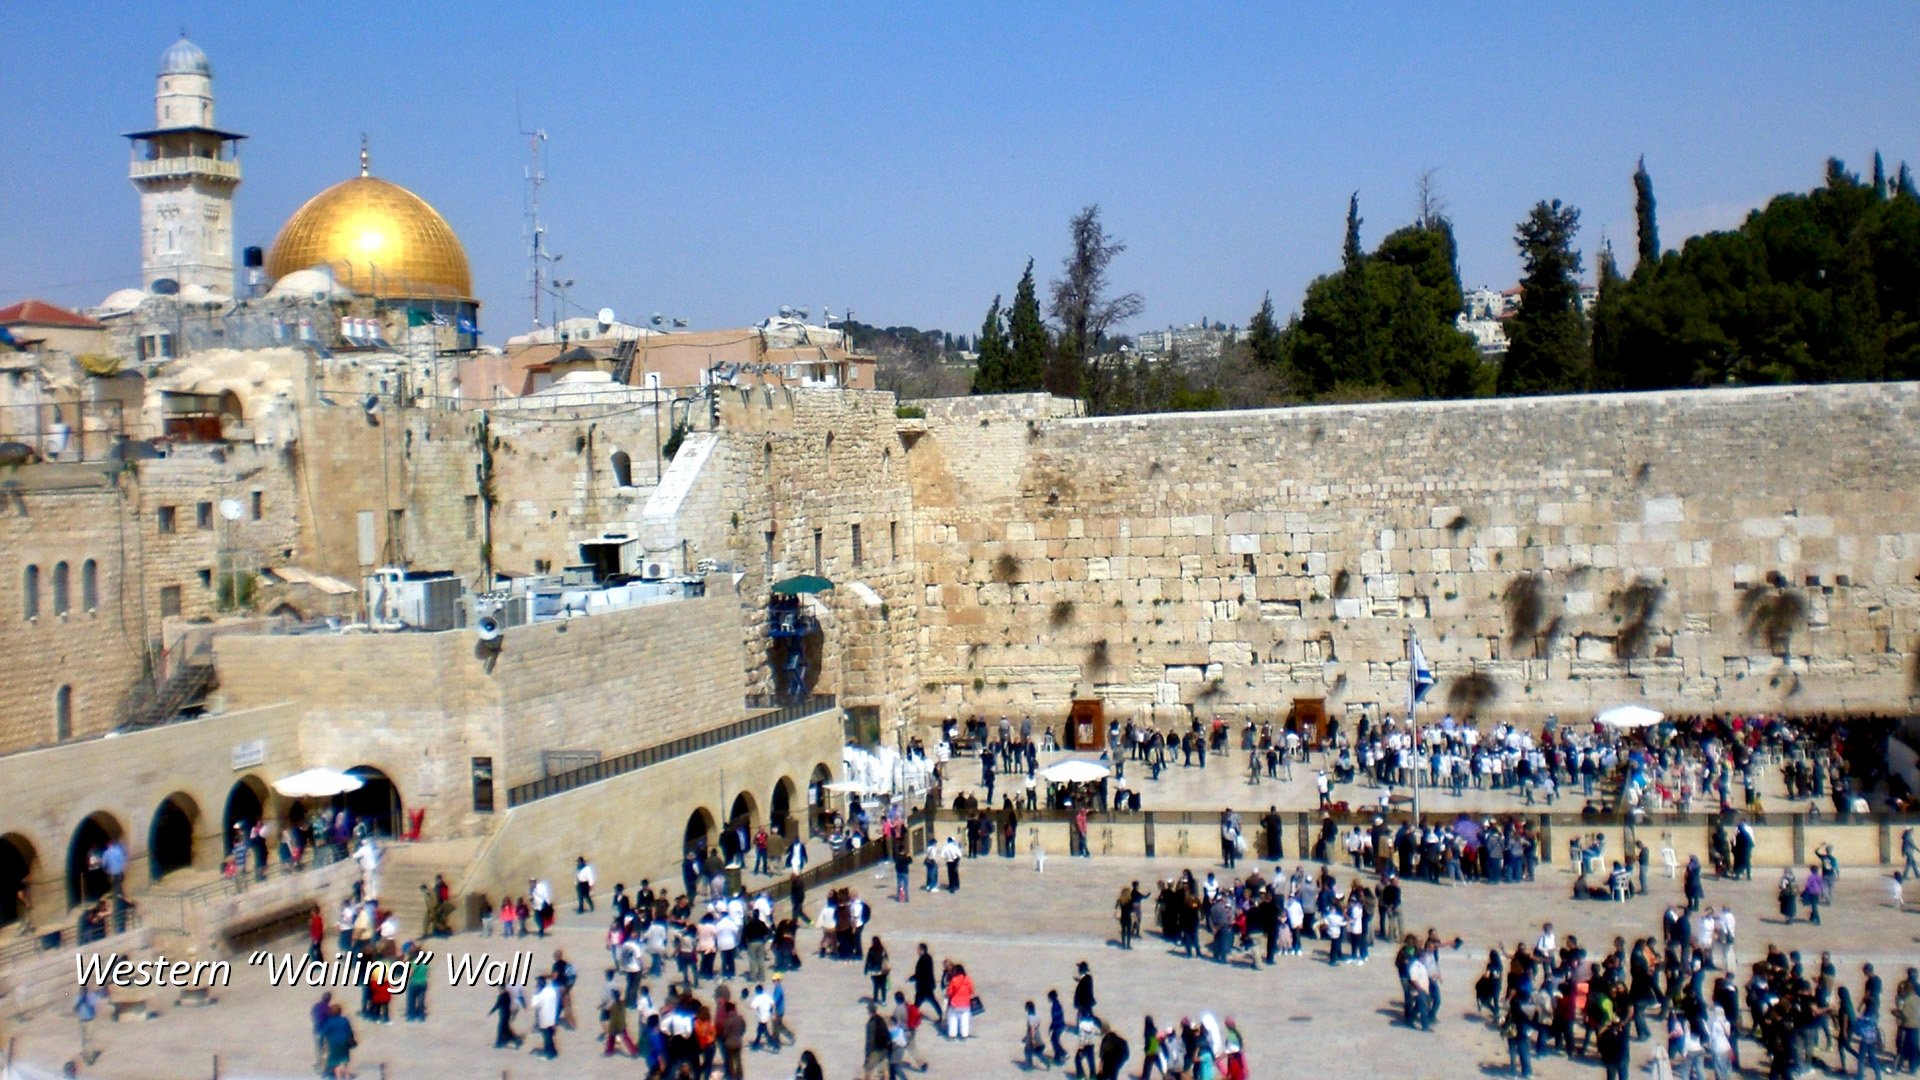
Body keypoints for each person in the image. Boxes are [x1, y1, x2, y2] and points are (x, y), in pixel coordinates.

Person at [319, 1002, 356, 1078]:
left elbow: (323, 1033)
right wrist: (352, 1040)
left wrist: (321, 1044)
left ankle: (332, 1074)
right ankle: (347, 1076)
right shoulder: (345, 1020)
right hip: (345, 1042)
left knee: (334, 1061)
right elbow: (350, 1031)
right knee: (344, 1060)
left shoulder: (329, 1021)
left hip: (334, 1043)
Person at [531, 974, 561, 1058]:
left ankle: (550, 1052)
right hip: (551, 1018)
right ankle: (551, 1050)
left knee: (547, 1037)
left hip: (544, 1018)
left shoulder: (539, 993)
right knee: (548, 1036)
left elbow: (536, 1005)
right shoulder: (550, 991)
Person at [945, 963, 974, 1040]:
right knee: (965, 1019)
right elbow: (971, 990)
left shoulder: (954, 980)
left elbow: (949, 992)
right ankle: (964, 1035)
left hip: (955, 1004)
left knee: (953, 1018)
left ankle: (952, 1034)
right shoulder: (967, 979)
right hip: (966, 1004)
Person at [490, 982, 523, 1049]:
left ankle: (499, 1043)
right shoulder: (508, 995)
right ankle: (515, 1041)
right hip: (507, 1015)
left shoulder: (502, 996)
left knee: (501, 1029)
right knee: (506, 1030)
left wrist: (491, 1012)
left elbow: (497, 1005)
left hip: (503, 1016)